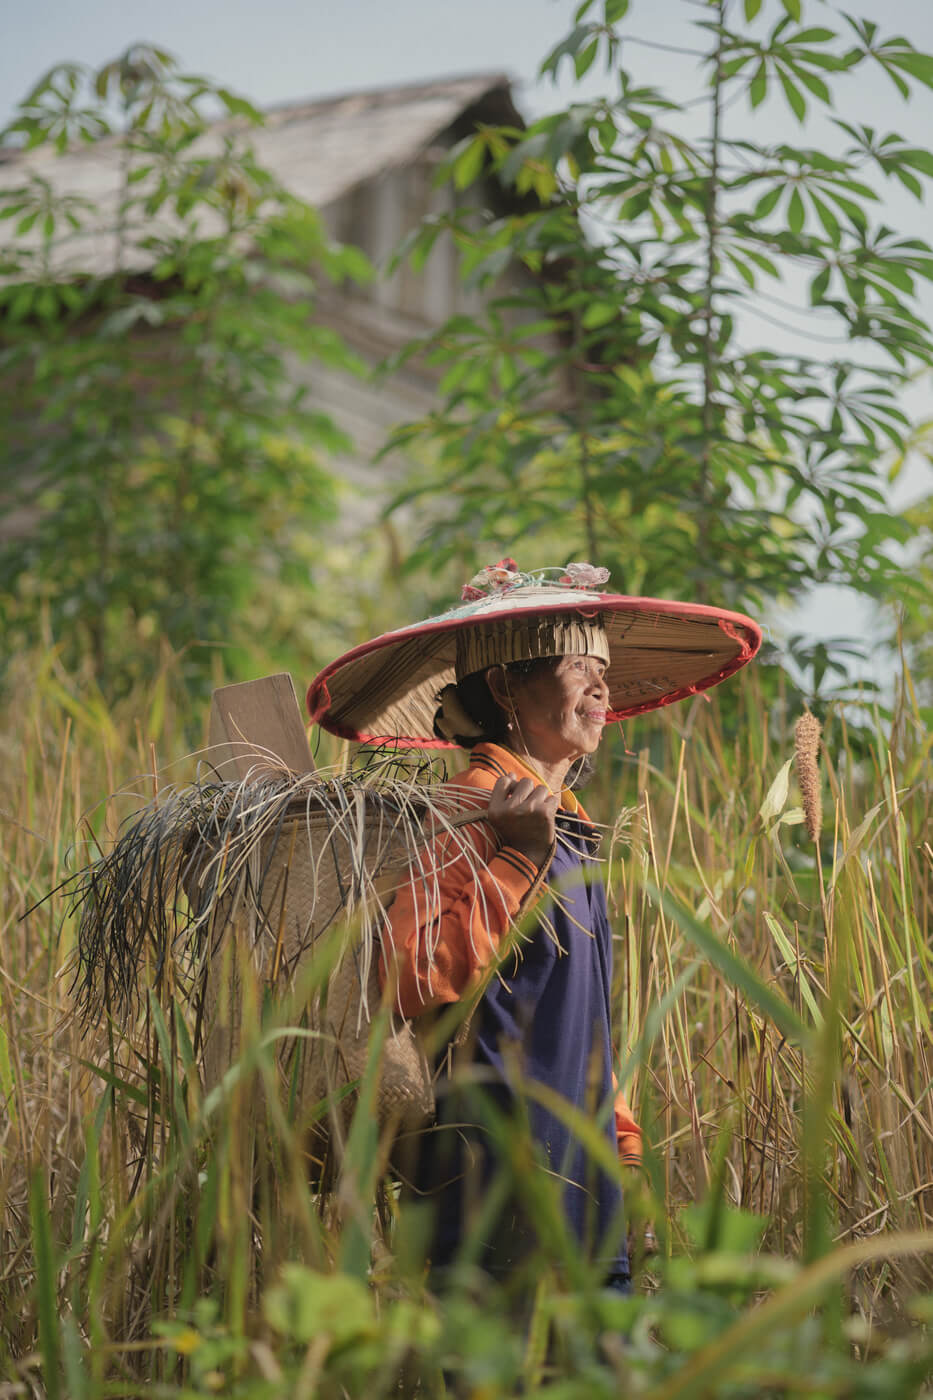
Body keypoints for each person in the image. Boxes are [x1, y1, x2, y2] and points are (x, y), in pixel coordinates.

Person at [306, 559, 761, 1291]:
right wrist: (516, 859)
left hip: (584, 1186)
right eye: (578, 666)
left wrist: (623, 1154)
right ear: (505, 687)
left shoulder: (572, 829)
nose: (601, 687)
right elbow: (407, 975)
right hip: (495, 1185)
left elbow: (581, 1024)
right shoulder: (467, 813)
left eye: (603, 669)